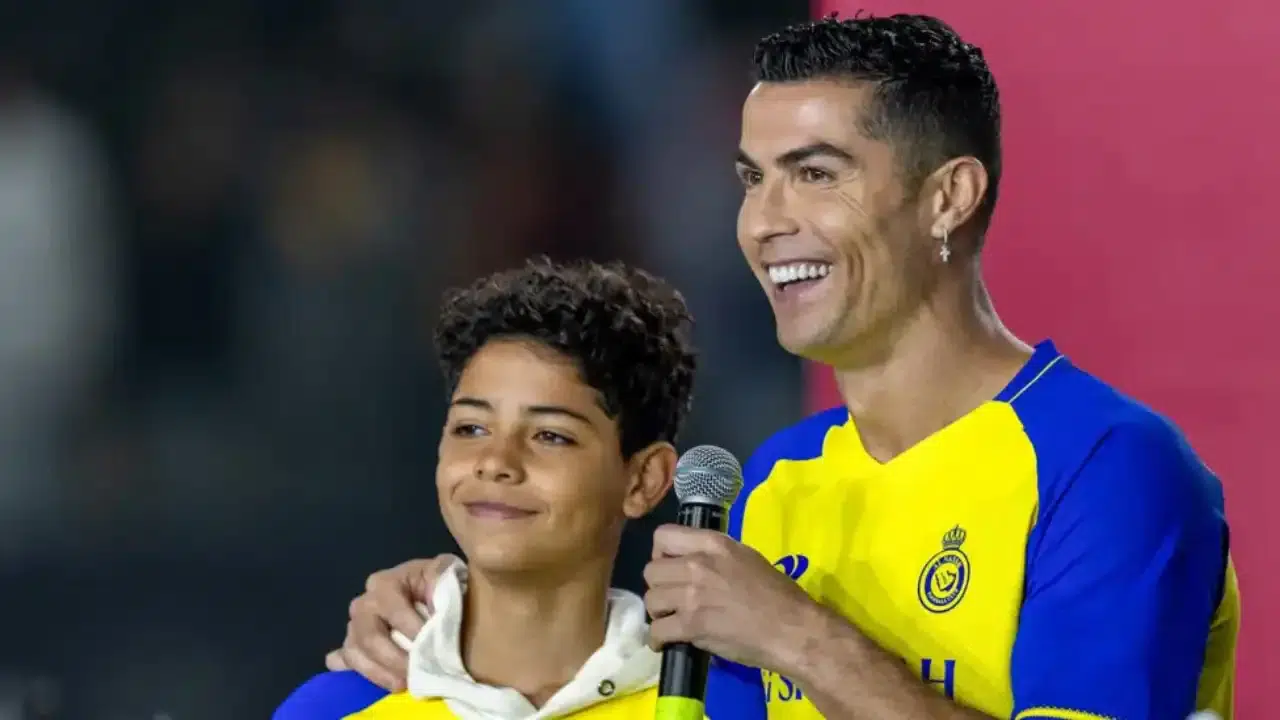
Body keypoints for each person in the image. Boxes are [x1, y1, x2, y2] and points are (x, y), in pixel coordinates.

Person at [324, 14, 1239, 720]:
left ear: (948, 198)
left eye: (815, 173)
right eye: (752, 178)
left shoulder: (1108, 466)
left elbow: (787, 637)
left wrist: (797, 637)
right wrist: (461, 620)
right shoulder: (774, 481)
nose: (764, 222)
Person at [274, 259, 698, 718]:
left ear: (644, 480)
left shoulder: (717, 703)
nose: (495, 463)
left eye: (550, 436)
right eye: (471, 428)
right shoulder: (334, 708)